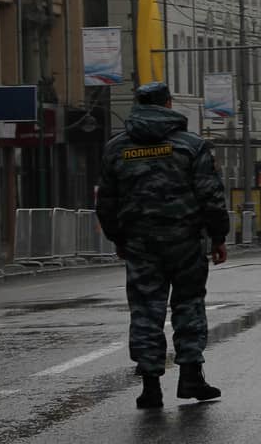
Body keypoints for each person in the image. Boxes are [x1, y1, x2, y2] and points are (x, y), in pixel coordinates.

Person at [96, 82, 231, 409]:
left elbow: (107, 202)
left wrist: (118, 238)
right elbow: (210, 196)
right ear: (168, 104)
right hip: (185, 241)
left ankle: (150, 385)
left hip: (140, 244)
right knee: (188, 304)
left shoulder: (116, 148)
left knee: (145, 309)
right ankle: (190, 376)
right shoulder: (192, 146)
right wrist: (218, 237)